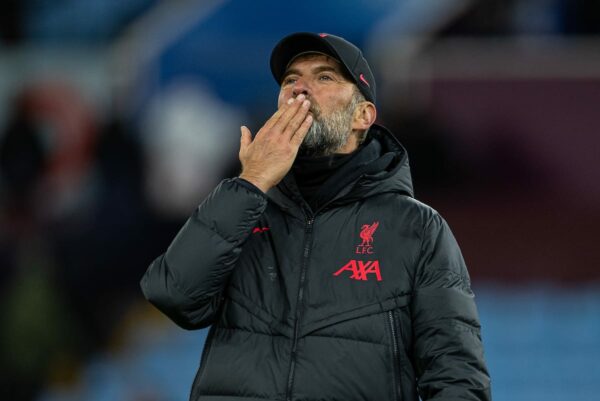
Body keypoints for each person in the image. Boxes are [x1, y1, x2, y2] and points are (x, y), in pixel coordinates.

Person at [140, 32, 491, 401]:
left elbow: (458, 380)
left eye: (324, 77)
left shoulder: (415, 228)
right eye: (291, 79)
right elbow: (174, 296)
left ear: (363, 115)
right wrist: (253, 181)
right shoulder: (241, 205)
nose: (300, 89)